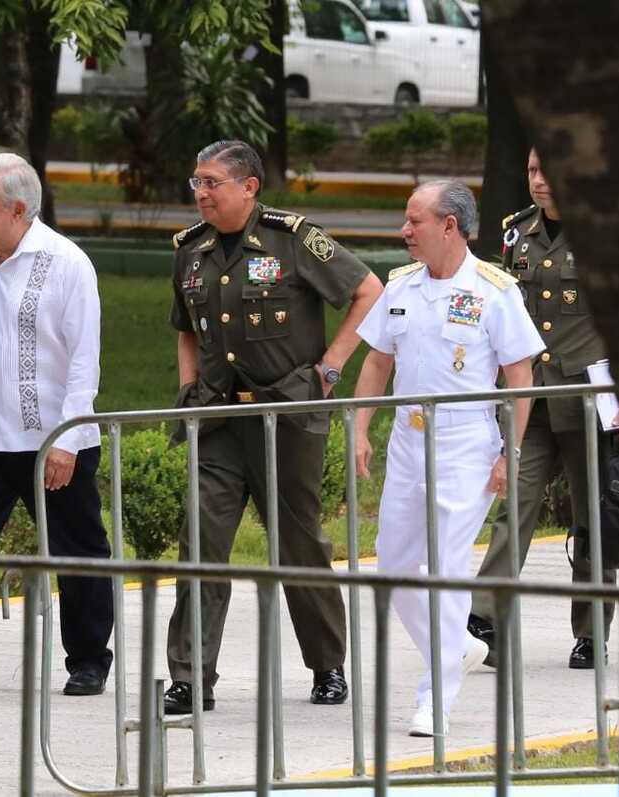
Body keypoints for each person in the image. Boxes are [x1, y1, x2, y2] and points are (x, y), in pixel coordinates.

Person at [163, 140, 384, 715]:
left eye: (212, 182)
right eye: (197, 183)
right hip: (216, 419)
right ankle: (189, 676)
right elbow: (184, 325)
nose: (202, 193)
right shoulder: (190, 249)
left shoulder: (292, 238)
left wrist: (330, 368)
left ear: (249, 187)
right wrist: (188, 388)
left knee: (298, 545)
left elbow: (368, 291)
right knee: (200, 545)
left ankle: (327, 666)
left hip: (284, 415)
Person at [353, 180, 545, 736]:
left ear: (449, 227)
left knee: (445, 571)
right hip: (408, 442)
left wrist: (511, 451)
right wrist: (361, 428)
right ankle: (458, 645)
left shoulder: (494, 290)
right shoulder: (402, 285)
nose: (404, 231)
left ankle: (435, 698)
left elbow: (519, 376)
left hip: (466, 444)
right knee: (391, 568)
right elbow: (376, 362)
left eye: (414, 221)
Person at [0, 153, 115, 696]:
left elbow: (83, 361)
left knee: (77, 550)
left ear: (19, 209)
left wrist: (68, 442)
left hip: (52, 437)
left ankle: (89, 660)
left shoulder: (67, 262)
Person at [467, 148, 614, 670]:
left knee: (593, 518)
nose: (539, 180)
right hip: (531, 398)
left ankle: (591, 631)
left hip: (587, 397)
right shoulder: (515, 232)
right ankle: (485, 617)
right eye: (531, 169)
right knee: (515, 507)